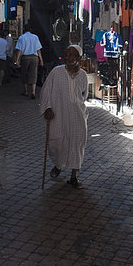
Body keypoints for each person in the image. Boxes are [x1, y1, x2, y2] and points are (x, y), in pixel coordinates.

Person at [40, 45, 88, 189]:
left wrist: (77, 106)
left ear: (79, 58)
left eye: (72, 55)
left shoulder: (83, 75)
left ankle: (74, 176)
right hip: (58, 113)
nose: (68, 57)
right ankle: (59, 165)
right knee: (57, 142)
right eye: (66, 54)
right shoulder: (57, 72)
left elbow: (83, 95)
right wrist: (47, 107)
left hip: (77, 115)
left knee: (77, 144)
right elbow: (46, 91)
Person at [14, 24, 44, 99]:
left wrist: (17, 60)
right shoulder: (35, 37)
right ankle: (33, 91)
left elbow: (19, 50)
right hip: (34, 57)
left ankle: (26, 91)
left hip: (25, 57)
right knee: (34, 74)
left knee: (24, 73)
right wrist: (41, 60)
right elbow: (38, 50)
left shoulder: (22, 38)